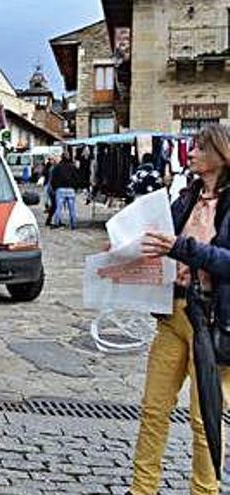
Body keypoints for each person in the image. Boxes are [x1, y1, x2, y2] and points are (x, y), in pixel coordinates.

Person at [130, 124, 230, 495]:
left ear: (220, 155)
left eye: (199, 147)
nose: (191, 152)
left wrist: (182, 248)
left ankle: (205, 491)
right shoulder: (185, 198)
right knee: (153, 410)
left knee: (205, 420)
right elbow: (159, 235)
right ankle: (142, 490)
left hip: (213, 323)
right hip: (173, 313)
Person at [49, 152, 79, 229]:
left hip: (60, 189)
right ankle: (73, 224)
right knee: (72, 208)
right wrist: (75, 187)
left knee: (59, 207)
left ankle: (56, 223)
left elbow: (53, 179)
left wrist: (54, 188)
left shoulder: (57, 167)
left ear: (62, 157)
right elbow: (77, 178)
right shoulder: (73, 167)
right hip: (70, 189)